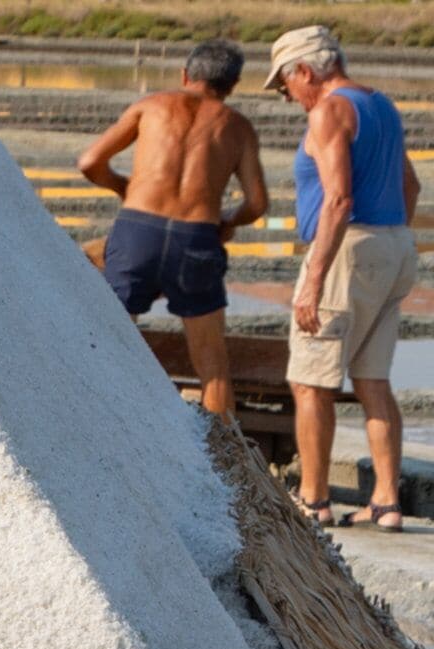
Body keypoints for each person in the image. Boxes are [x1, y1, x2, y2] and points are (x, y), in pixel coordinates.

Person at [273, 24, 422, 527]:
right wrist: (390, 237)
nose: (288, 95)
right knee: (373, 380)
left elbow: (338, 199)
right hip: (394, 241)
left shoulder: (329, 111)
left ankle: (313, 501)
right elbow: (411, 184)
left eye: (285, 84)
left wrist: (315, 278)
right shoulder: (380, 104)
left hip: (348, 248)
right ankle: (386, 502)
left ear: (306, 71)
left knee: (310, 382)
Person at [79, 38, 269, 419]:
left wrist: (125, 188)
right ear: (232, 86)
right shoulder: (238, 127)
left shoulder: (151, 106)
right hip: (195, 237)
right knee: (212, 366)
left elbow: (89, 162)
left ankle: (95, 425)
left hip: (137, 231)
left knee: (108, 339)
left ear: (185, 74)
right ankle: (224, 460)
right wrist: (227, 222)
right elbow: (257, 204)